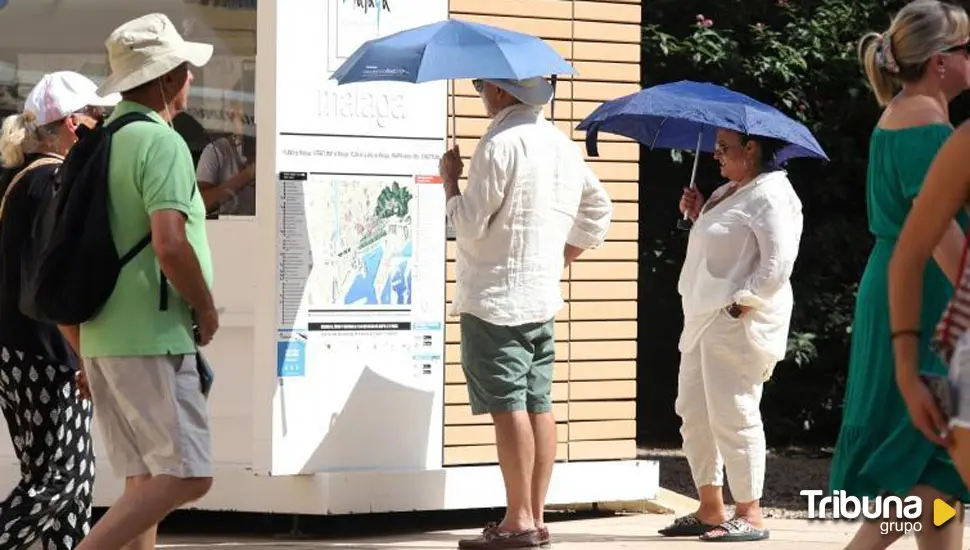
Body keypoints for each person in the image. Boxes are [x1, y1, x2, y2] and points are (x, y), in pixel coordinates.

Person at [439, 76, 612, 549]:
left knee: (507, 405)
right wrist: (560, 257)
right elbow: (600, 209)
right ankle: (534, 515)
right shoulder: (560, 144)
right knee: (539, 403)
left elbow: (470, 225)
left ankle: (517, 519)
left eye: (481, 85)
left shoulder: (498, 143)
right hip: (540, 297)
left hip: (495, 299)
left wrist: (451, 182)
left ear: (501, 91)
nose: (479, 93)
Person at [73, 13, 219, 550]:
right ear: (165, 79)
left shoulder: (101, 141)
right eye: (184, 68)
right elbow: (170, 243)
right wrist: (205, 308)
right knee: (188, 474)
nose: (191, 78)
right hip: (153, 334)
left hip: (102, 335)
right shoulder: (162, 144)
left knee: (142, 480)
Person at [828, 1, 970, 548]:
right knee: (935, 463)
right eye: (965, 48)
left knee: (934, 470)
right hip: (928, 298)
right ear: (939, 62)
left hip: (897, 289)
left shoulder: (901, 118)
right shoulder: (928, 132)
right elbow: (944, 244)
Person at [658, 129, 802, 543]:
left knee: (734, 412)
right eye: (715, 148)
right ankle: (710, 507)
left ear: (752, 149)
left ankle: (750, 512)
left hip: (734, 319)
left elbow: (777, 263)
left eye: (724, 148)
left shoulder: (773, 193)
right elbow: (725, 243)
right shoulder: (730, 190)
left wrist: (743, 302)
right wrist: (700, 211)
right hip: (704, 315)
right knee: (694, 410)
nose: (715, 155)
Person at [0, 71, 117, 550]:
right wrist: (83, 352)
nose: (101, 124)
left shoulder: (24, 179)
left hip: (24, 351)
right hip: (46, 351)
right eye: (95, 115)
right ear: (73, 123)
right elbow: (49, 285)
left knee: (69, 482)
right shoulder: (50, 181)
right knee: (63, 478)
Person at [196, 99, 255, 215]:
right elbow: (201, 204)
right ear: (233, 115)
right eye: (247, 118)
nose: (252, 126)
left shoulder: (266, 152)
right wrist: (249, 173)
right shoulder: (215, 151)